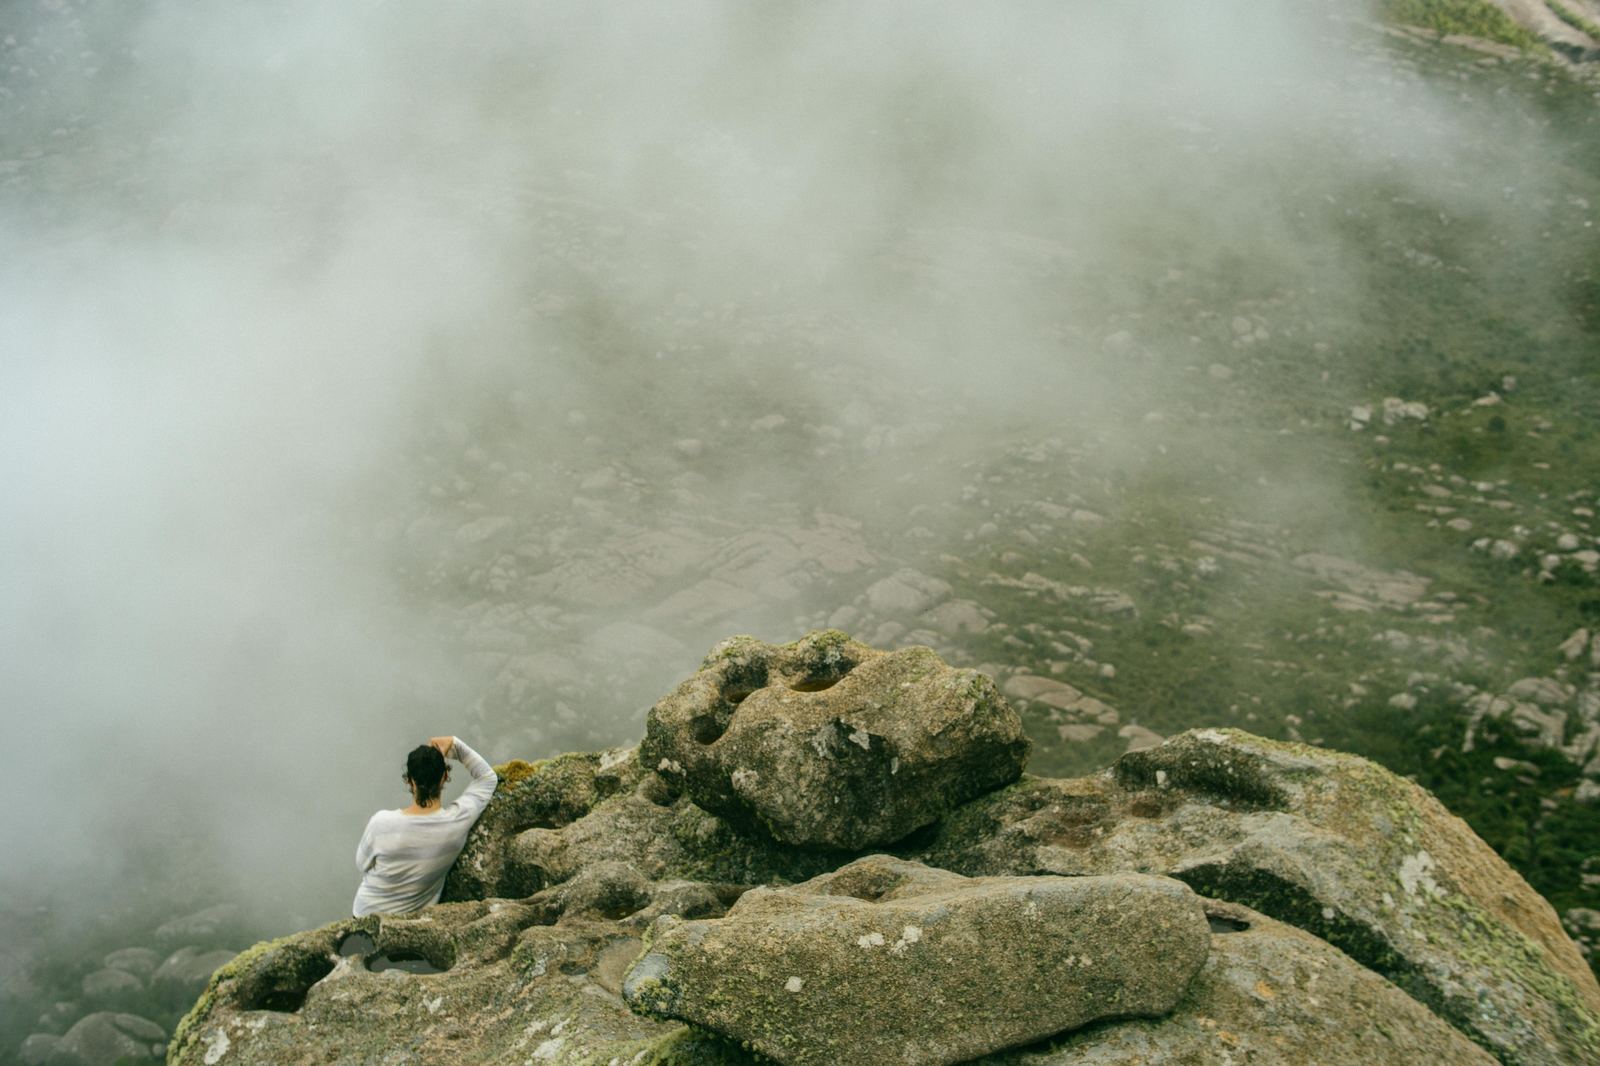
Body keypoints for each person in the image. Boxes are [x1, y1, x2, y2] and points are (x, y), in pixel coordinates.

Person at [352, 735, 498, 917]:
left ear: (410, 781)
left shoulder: (380, 823)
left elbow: (362, 865)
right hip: (411, 922)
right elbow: (487, 778)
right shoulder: (457, 822)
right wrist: (455, 745)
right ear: (445, 776)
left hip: (365, 914)